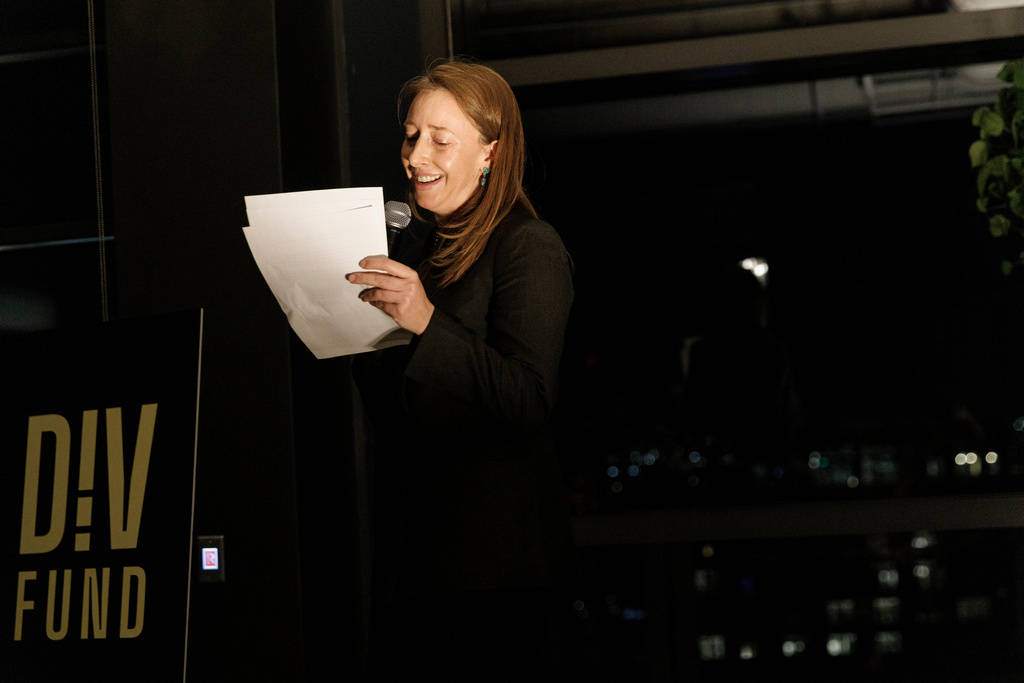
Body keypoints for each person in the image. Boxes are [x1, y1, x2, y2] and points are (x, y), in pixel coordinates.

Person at [347, 58, 575, 681]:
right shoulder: (417, 252)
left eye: (441, 141)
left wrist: (423, 322)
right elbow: (397, 410)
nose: (417, 154)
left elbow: (527, 401)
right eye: (412, 135)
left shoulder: (528, 244)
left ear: (490, 154)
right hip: (411, 561)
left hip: (492, 578)